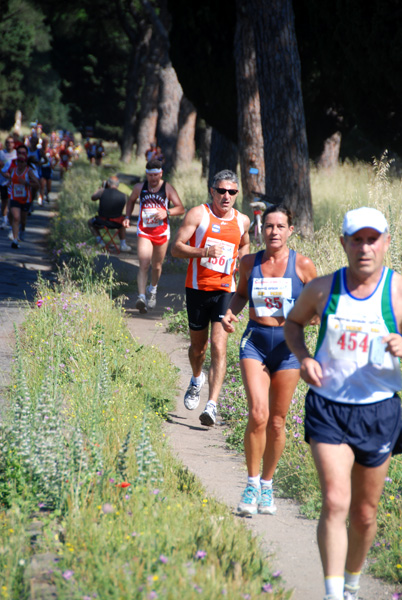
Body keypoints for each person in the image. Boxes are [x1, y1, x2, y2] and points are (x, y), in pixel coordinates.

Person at [284, 207, 402, 600]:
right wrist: (304, 359)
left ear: (386, 243)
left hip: (379, 410)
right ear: (343, 243)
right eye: (357, 239)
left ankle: (352, 581)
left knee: (365, 514)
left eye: (373, 239)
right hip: (328, 408)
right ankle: (334, 594)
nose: (364, 248)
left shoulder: (397, 291)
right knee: (336, 500)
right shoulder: (322, 288)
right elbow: (293, 323)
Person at [221, 205, 317, 515]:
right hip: (256, 342)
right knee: (258, 413)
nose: (274, 231)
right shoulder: (249, 262)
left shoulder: (303, 266)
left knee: (277, 422)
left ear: (291, 231)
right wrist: (230, 313)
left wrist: (312, 318)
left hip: (288, 348)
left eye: (280, 226)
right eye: (269, 226)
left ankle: (267, 484)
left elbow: (318, 305)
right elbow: (239, 294)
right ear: (263, 230)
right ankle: (250, 485)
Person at [171, 169, 250, 426]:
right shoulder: (198, 214)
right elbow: (176, 248)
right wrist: (204, 251)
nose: (227, 196)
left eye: (232, 192)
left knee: (219, 346)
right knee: (198, 348)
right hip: (196, 288)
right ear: (212, 191)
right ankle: (196, 379)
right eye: (222, 191)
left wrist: (242, 262)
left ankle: (212, 405)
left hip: (225, 290)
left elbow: (245, 244)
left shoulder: (242, 221)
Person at [126, 159, 185, 312]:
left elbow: (181, 208)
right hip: (144, 231)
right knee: (144, 263)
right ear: (147, 174)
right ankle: (141, 297)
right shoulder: (140, 187)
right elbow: (131, 200)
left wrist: (167, 212)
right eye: (151, 176)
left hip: (162, 231)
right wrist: (127, 217)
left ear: (161, 174)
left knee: (157, 266)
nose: (153, 179)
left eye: (156, 175)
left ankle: (152, 290)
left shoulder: (167, 188)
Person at [1, 144, 39, 248]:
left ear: (25, 162)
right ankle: (15, 240)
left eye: (22, 162)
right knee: (16, 217)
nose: (20, 164)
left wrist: (27, 183)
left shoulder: (29, 171)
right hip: (14, 198)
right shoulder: (13, 170)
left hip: (25, 199)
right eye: (18, 161)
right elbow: (8, 177)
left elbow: (37, 184)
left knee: (23, 220)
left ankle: (22, 230)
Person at [88, 175, 131, 252]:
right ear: (118, 185)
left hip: (101, 221)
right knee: (123, 221)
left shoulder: (102, 191)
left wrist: (101, 189)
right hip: (116, 223)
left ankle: (100, 242)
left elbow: (93, 198)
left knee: (90, 222)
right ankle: (123, 244)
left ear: (108, 183)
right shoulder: (124, 195)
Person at [0, 136, 17, 229]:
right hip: (2, 181)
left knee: (12, 202)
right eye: (8, 142)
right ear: (5, 143)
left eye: (11, 142)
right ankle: (4, 220)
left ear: (14, 144)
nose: (9, 144)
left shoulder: (16, 154)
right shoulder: (1, 153)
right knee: (4, 201)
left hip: (13, 182)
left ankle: (11, 220)